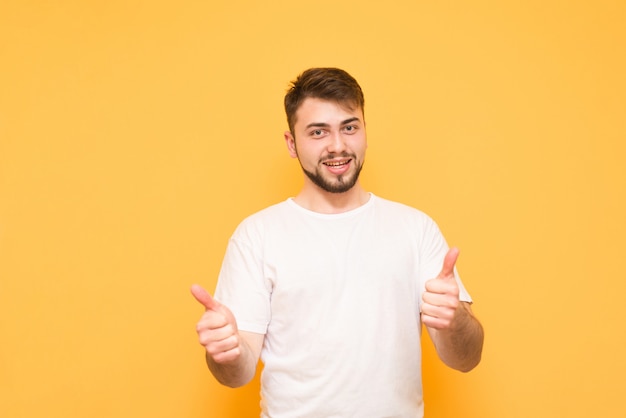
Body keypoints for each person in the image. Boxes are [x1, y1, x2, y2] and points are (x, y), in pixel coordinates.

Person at [191, 67, 484, 417]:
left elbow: (466, 358)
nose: (338, 146)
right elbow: (236, 374)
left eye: (349, 127)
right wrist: (226, 351)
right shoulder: (257, 236)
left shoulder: (415, 229)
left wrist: (455, 321)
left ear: (364, 131)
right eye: (318, 132)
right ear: (291, 143)